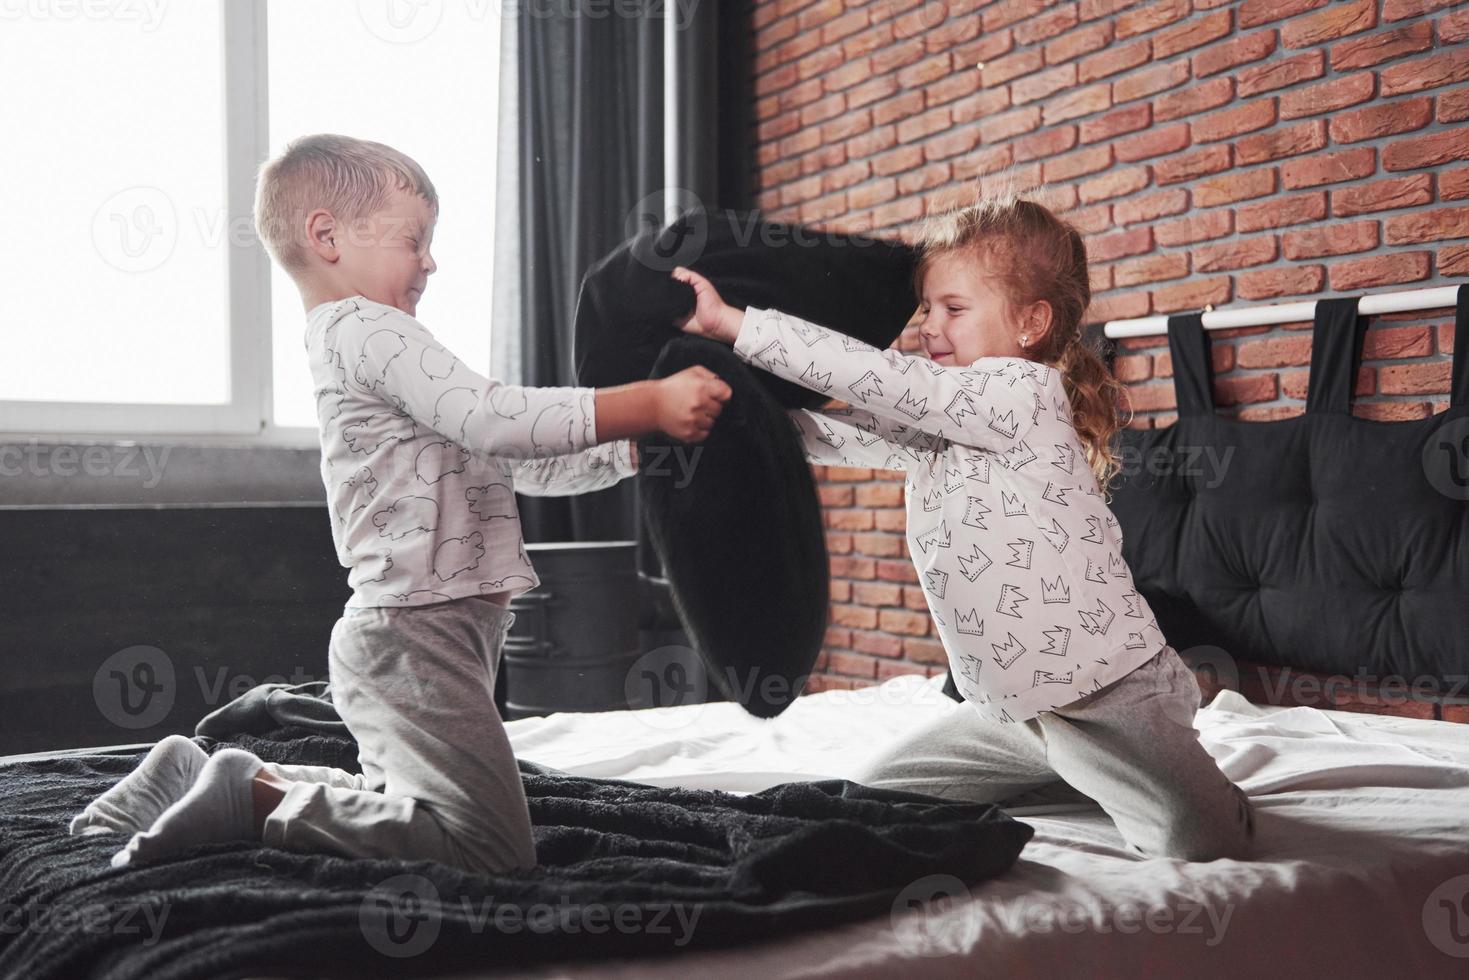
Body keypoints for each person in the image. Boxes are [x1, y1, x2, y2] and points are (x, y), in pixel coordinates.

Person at [70, 133, 732, 875]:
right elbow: (498, 416)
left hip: (415, 630)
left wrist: (628, 450)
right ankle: (251, 800)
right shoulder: (371, 329)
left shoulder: (362, 340)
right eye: (414, 239)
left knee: (396, 800)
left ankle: (198, 775)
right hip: (420, 632)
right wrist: (647, 402)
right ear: (327, 235)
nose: (430, 260)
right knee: (489, 849)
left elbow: (508, 455)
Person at [671, 192, 1253, 861]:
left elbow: (883, 380)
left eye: (953, 308)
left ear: (1030, 322)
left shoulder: (1019, 396)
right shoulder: (944, 421)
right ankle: (1063, 771)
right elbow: (835, 432)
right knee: (871, 804)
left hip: (1105, 695)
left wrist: (734, 324)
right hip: (1008, 710)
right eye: (925, 309)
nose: (928, 326)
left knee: (1199, 843)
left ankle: (1181, 784)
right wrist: (727, 410)